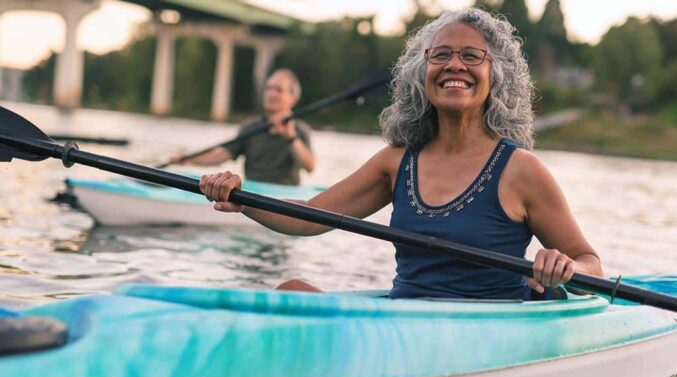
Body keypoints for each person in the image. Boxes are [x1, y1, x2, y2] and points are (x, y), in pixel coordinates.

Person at [199, 8, 603, 300]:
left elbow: (590, 263)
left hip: (484, 329)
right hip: (404, 322)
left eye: (471, 56)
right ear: (420, 73)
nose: (454, 65)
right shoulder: (396, 162)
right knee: (289, 292)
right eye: (440, 55)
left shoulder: (521, 170)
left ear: (495, 74)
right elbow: (307, 217)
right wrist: (240, 196)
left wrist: (565, 268)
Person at [176, 69, 315, 186]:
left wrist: (290, 137)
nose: (272, 94)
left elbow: (310, 166)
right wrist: (187, 159)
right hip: (254, 192)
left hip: (285, 196)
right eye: (269, 88)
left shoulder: (300, 130)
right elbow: (221, 155)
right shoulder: (250, 126)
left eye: (279, 90)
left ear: (293, 98)